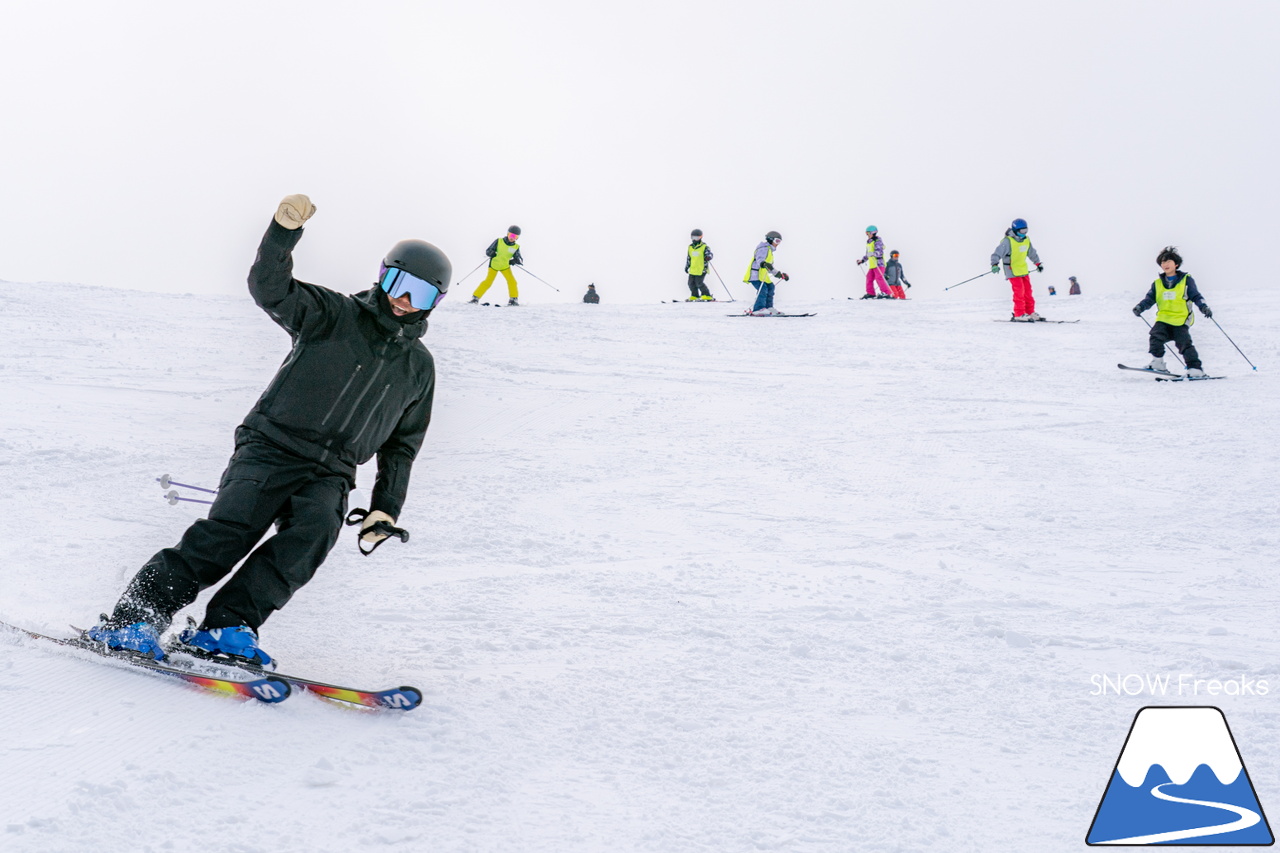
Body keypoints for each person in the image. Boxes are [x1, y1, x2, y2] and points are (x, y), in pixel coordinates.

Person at [85, 194, 449, 667]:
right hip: (272, 445)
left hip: (333, 472)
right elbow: (270, 287)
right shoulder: (334, 314)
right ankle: (134, 619)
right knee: (226, 536)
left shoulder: (419, 368)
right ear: (383, 277)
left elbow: (402, 446)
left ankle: (227, 627)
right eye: (399, 284)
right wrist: (283, 231)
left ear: (434, 303)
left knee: (308, 541)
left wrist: (385, 507)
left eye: (420, 295)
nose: (404, 301)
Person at [1132, 246, 1211, 377]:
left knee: (1184, 344)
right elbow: (1149, 299)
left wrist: (1204, 307)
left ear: (1176, 264)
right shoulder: (1157, 283)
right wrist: (1140, 307)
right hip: (1163, 319)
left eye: (1168, 261)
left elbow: (1196, 296)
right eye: (1163, 262)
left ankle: (1195, 369)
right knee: (1155, 337)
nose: (1165, 264)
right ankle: (1158, 363)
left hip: (1181, 320)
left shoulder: (1186, 280)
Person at [991, 217, 1044, 321]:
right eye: (1022, 231)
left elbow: (1032, 253)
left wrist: (1038, 263)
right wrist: (994, 264)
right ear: (1015, 230)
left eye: (1026, 230)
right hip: (1012, 270)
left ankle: (1030, 312)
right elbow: (996, 254)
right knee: (1019, 292)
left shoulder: (1026, 240)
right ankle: (1019, 314)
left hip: (1023, 269)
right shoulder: (1007, 241)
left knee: (1028, 292)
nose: (1024, 233)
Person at [468, 226, 523, 306]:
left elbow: (519, 259)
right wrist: (491, 253)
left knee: (512, 282)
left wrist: (514, 261)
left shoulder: (515, 247)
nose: (512, 238)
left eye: (515, 236)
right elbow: (488, 251)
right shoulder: (499, 241)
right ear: (507, 234)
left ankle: (513, 299)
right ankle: (475, 298)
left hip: (505, 267)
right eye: (511, 235)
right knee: (488, 282)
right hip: (494, 265)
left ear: (517, 238)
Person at [744, 231, 788, 315]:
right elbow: (759, 259)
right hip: (755, 275)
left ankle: (768, 307)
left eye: (779, 242)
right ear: (771, 239)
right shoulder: (763, 248)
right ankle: (758, 309)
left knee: (771, 287)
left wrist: (780, 275)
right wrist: (763, 263)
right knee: (763, 290)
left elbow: (770, 268)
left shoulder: (770, 251)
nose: (778, 244)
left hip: (763, 276)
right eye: (777, 241)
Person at [857, 226, 891, 299]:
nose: (867, 235)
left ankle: (886, 293)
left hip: (879, 264)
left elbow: (879, 253)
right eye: (866, 233)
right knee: (869, 277)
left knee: (879, 278)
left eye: (868, 233)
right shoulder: (869, 242)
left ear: (873, 233)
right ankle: (871, 293)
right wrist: (862, 260)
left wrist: (872, 254)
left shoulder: (877, 241)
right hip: (872, 265)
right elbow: (868, 254)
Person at [685, 229, 715, 300]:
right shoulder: (690, 247)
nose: (694, 239)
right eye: (693, 237)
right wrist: (687, 266)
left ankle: (707, 295)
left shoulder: (704, 247)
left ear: (701, 237)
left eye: (697, 238)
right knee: (691, 283)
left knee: (699, 283)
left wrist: (708, 256)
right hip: (693, 269)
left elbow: (710, 253)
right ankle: (695, 295)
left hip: (701, 269)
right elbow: (689, 258)